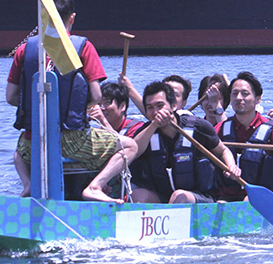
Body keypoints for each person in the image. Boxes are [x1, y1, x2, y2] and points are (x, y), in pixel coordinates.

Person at [6, 0, 138, 198]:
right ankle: (95, 187)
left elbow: (11, 97)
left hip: (32, 142)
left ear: (42, 16)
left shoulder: (24, 50)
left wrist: (41, 106)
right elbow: (96, 95)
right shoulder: (83, 47)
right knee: (130, 146)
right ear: (72, 17)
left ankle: (29, 185)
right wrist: (75, 107)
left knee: (18, 153)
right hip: (71, 141)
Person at [88, 81, 239, 204]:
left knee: (179, 196)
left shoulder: (199, 127)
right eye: (150, 108)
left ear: (174, 106)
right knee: (137, 196)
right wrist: (154, 125)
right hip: (162, 197)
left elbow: (223, 150)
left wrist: (231, 166)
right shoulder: (146, 131)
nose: (155, 112)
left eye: (160, 106)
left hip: (198, 197)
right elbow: (133, 152)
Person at [215, 71, 273, 201]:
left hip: (262, 198)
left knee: (248, 200)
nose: (239, 98)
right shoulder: (220, 129)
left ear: (258, 99)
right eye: (234, 94)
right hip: (227, 198)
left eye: (245, 93)